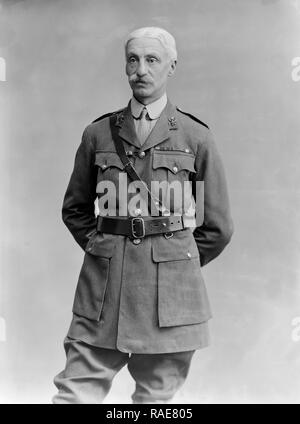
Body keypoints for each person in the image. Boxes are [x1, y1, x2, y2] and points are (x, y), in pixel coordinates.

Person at [52, 26, 233, 404]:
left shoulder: (195, 137)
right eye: (133, 60)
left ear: (171, 67)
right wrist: (104, 248)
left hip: (170, 300)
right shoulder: (98, 134)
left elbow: (217, 227)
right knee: (75, 394)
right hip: (103, 291)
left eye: (152, 60)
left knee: (155, 400)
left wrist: (175, 263)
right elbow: (75, 208)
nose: (141, 70)